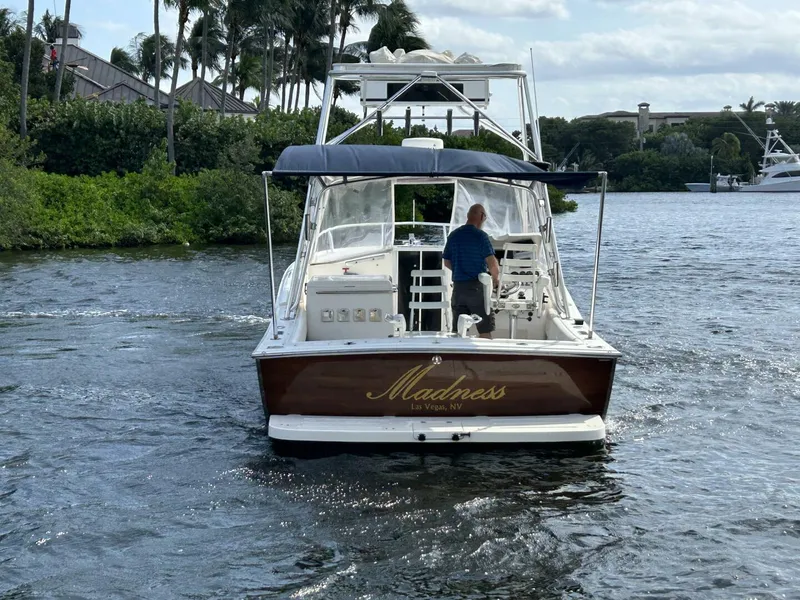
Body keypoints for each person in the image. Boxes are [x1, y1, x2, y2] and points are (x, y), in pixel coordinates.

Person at [442, 203, 500, 338]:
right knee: (484, 330)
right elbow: (492, 263)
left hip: (458, 290)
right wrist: (496, 280)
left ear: (468, 216)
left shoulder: (454, 235)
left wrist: (460, 270)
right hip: (476, 289)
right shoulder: (481, 236)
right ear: (481, 217)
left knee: (459, 332)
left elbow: (446, 261)